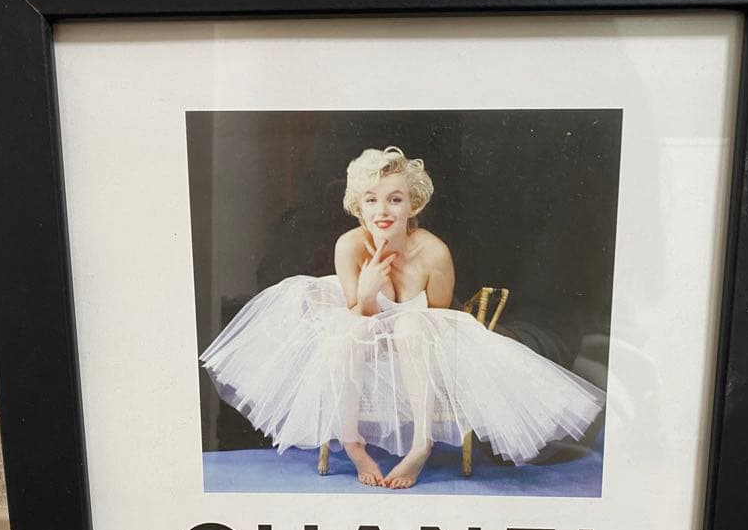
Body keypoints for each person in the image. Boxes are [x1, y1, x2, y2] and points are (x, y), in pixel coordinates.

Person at [200, 146, 605, 489]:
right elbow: (355, 314)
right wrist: (367, 291)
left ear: (413, 205)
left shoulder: (433, 253)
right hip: (364, 342)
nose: (382, 210)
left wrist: (397, 316)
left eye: (394, 199)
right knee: (352, 330)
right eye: (371, 200)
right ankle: (353, 444)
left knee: (411, 323)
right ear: (358, 207)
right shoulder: (350, 246)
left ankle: (421, 445)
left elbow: (441, 321)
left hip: (419, 347)